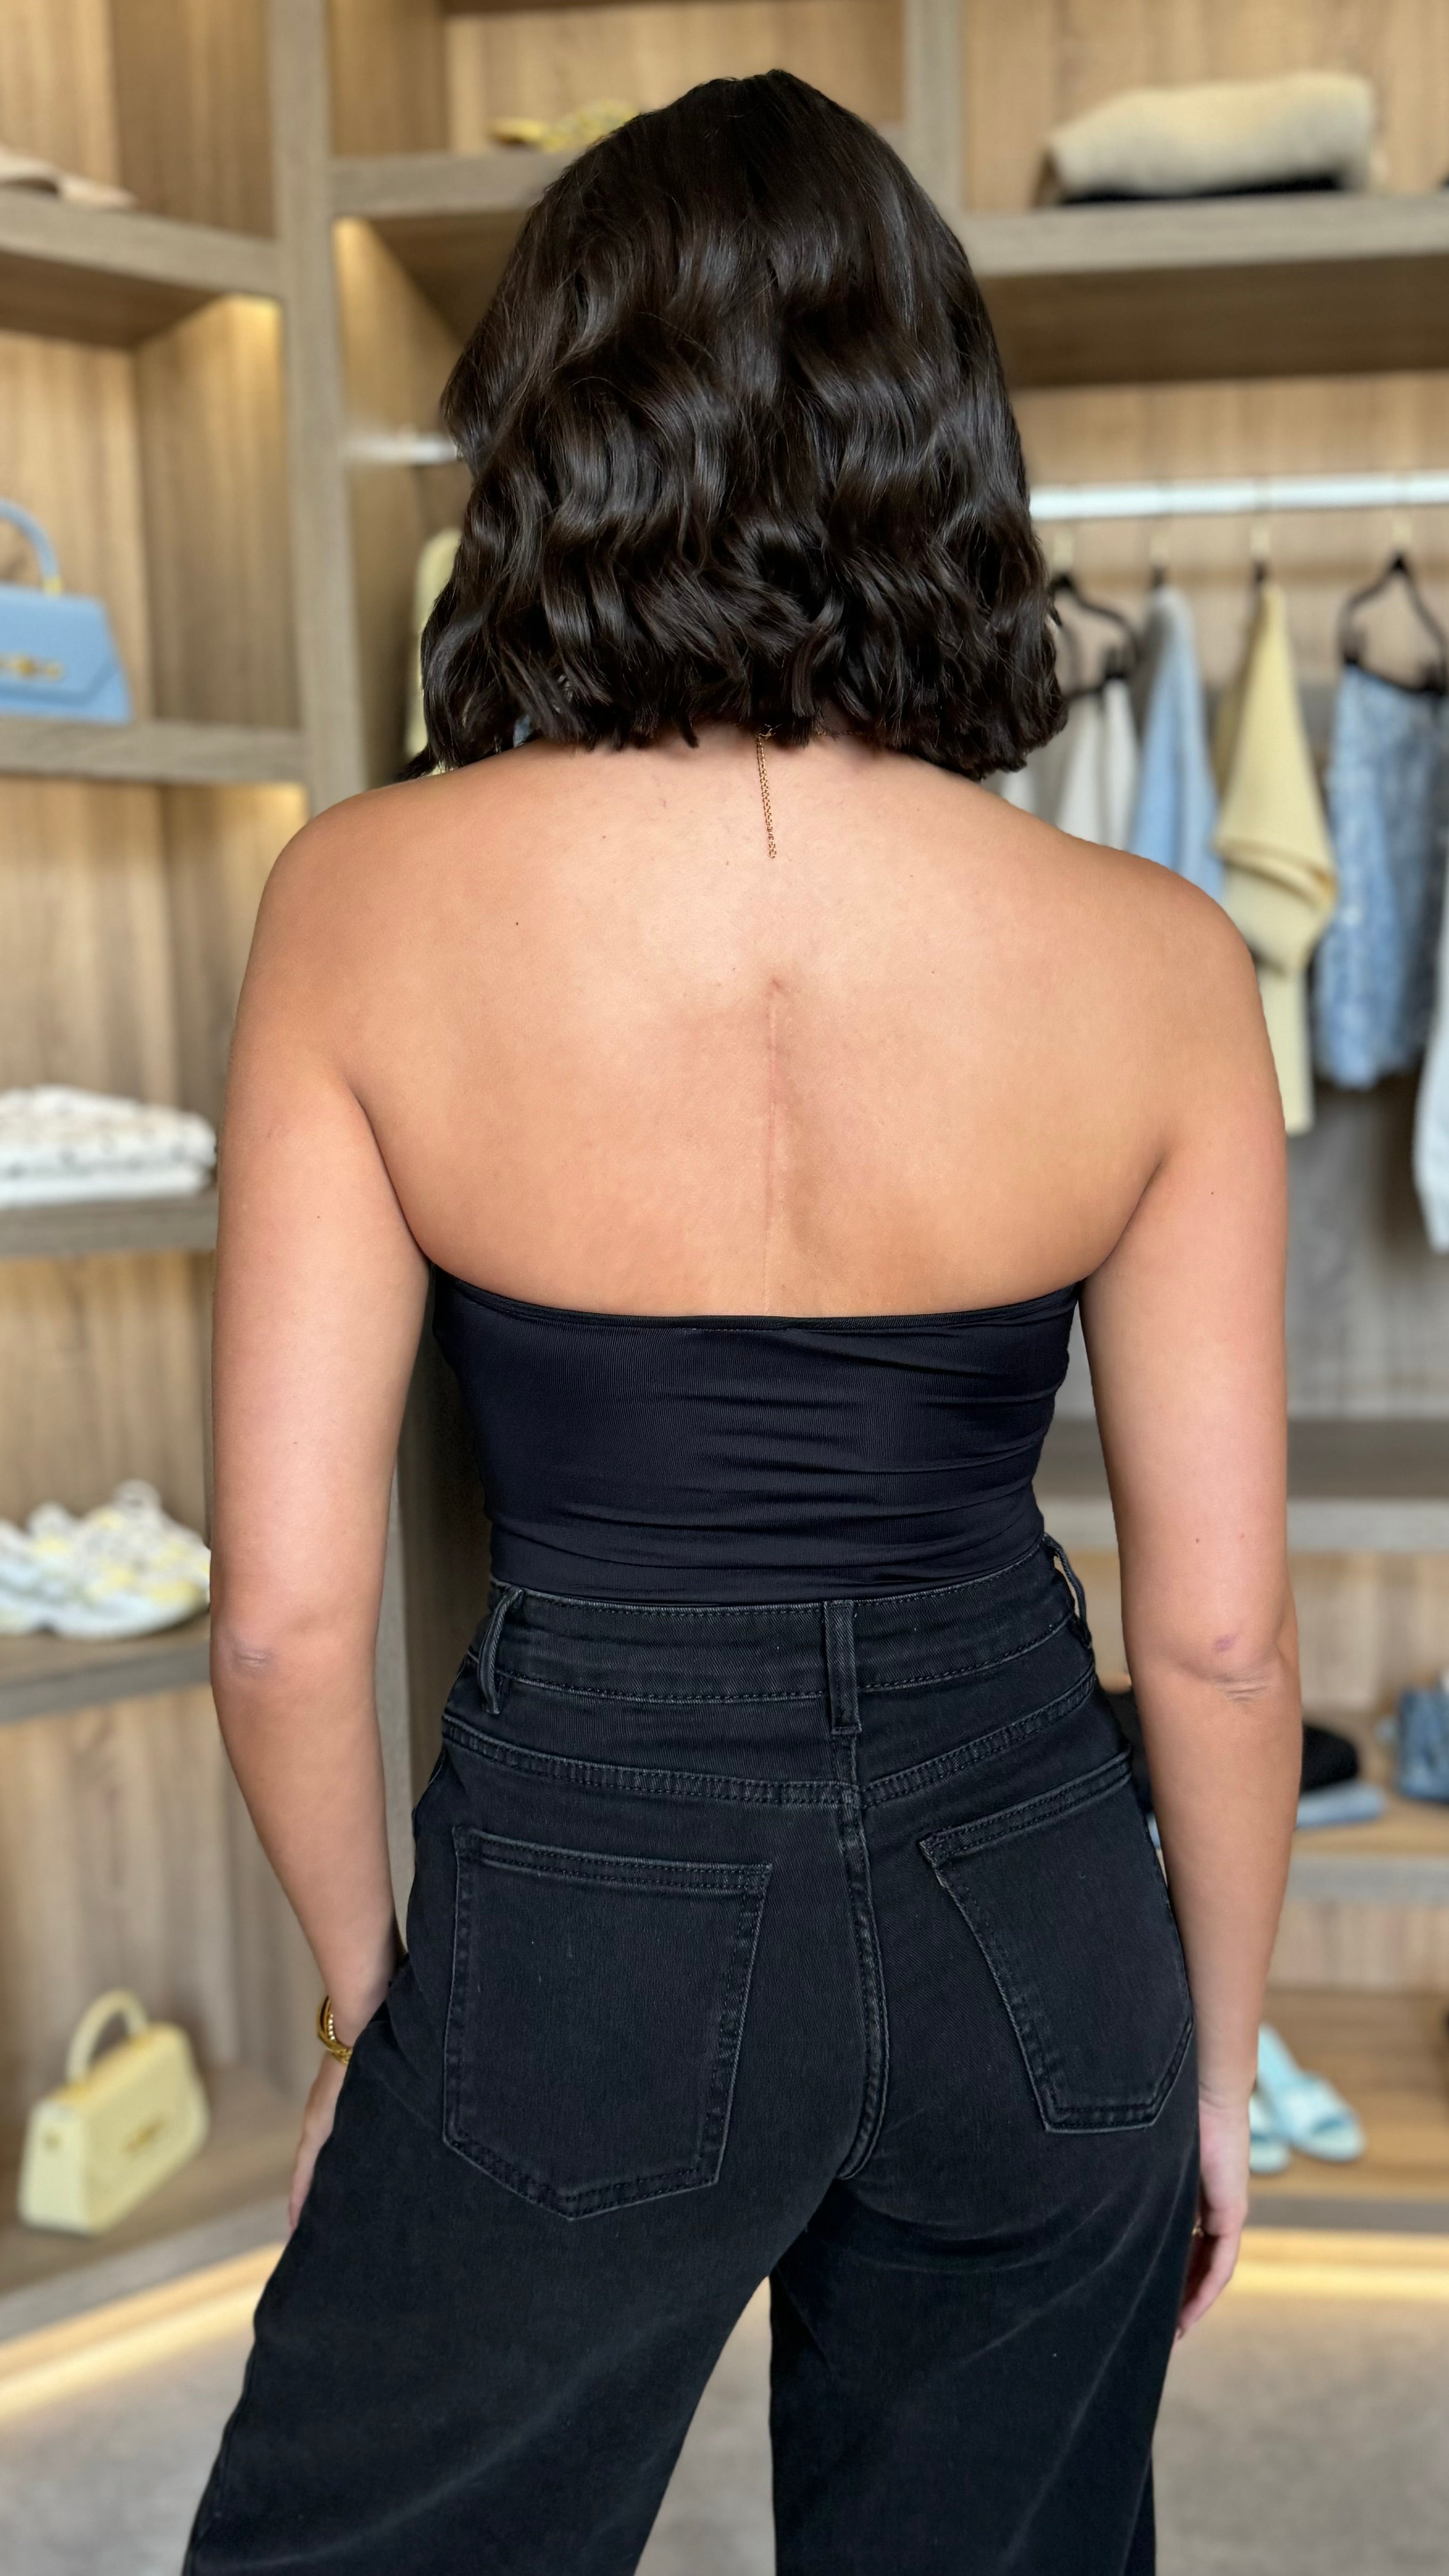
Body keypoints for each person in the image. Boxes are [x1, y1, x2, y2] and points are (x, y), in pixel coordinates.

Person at [186, 69, 1301, 2576]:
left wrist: (381, 2011)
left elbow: (281, 1622)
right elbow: (1219, 1646)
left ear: (549, 435)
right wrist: (1204, 2067)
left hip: (587, 1884)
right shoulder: (1152, 960)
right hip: (1030, 1895)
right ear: (940, 445)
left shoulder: (361, 902)